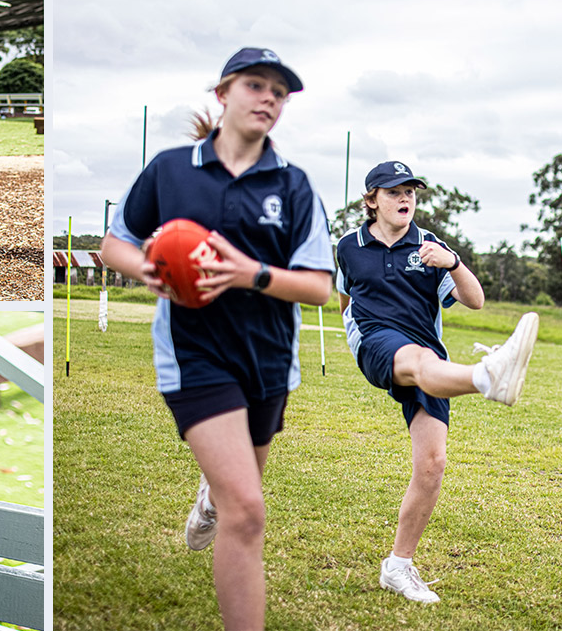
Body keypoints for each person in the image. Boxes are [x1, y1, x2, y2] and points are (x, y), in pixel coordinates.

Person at [100, 47, 334, 630]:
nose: (269, 99)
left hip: (269, 360)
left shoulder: (295, 185)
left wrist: (248, 273)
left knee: (235, 497)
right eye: (256, 86)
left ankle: (211, 498)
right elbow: (115, 244)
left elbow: (319, 288)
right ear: (223, 93)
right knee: (249, 512)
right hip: (195, 354)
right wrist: (148, 270)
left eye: (279, 93)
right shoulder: (171, 169)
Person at [336, 160, 539, 603]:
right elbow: (345, 296)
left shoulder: (429, 246)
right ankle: (487, 375)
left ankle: (399, 565)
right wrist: (355, 335)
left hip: (429, 355)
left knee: (432, 464)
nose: (404, 198)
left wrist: (454, 262)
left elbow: (476, 300)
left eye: (410, 191)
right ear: (372, 201)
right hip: (378, 343)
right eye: (393, 191)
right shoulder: (348, 247)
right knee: (417, 358)